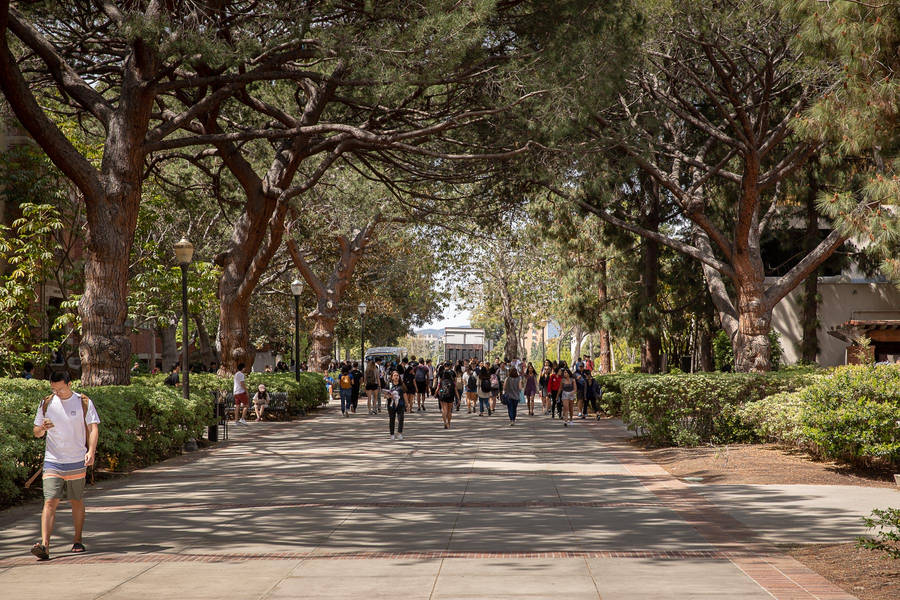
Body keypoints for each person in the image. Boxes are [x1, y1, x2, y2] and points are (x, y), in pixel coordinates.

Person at [30, 371, 100, 560]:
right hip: (52, 460)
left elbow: (93, 428)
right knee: (50, 501)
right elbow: (36, 432)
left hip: (76, 460)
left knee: (75, 500)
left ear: (69, 384)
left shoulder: (83, 401)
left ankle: (77, 539)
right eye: (53, 389)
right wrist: (42, 428)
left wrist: (91, 451)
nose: (57, 393)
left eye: (60, 389)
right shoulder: (46, 403)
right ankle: (45, 546)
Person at [381, 370, 406, 440]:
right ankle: (392, 434)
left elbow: (405, 394)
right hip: (391, 404)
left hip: (400, 404)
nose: (396, 377)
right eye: (394, 375)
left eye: (397, 375)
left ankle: (399, 433)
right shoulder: (389, 385)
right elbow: (385, 396)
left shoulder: (402, 385)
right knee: (392, 419)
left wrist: (407, 404)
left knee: (401, 419)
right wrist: (389, 396)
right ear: (392, 377)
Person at [437, 363, 456, 429]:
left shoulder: (441, 373)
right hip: (451, 393)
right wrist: (458, 397)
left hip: (443, 393)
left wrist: (436, 392)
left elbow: (439, 385)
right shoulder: (453, 373)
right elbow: (455, 384)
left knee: (444, 410)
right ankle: (449, 423)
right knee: (449, 410)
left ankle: (445, 422)